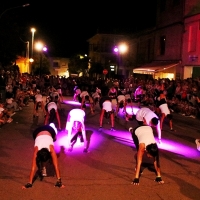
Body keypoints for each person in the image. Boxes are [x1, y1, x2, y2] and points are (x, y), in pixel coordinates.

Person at [22, 123, 65, 189]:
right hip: (40, 132)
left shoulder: (44, 149)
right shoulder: (48, 149)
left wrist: (29, 183)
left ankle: (54, 138)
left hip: (45, 131)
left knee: (54, 139)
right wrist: (59, 181)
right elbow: (56, 166)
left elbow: (33, 168)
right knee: (54, 141)